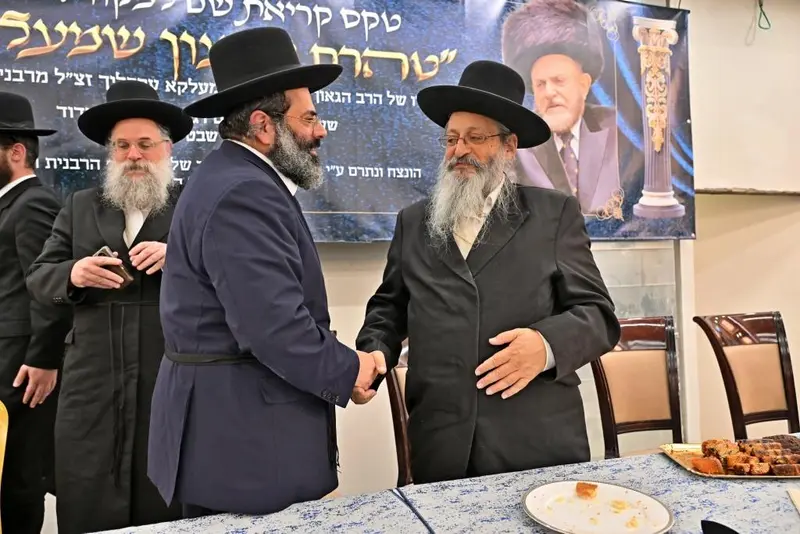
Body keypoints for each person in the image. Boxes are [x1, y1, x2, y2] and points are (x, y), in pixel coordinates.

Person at [148, 27, 386, 519]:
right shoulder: (244, 192)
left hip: (232, 437)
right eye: (309, 117)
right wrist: (351, 370)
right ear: (263, 125)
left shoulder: (233, 177)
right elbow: (273, 327)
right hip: (245, 448)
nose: (321, 131)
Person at [355, 60, 621, 484]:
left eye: (476, 138)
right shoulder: (414, 221)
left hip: (534, 442)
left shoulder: (553, 214)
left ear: (509, 146)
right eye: (452, 139)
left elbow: (599, 317)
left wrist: (545, 345)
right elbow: (390, 307)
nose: (459, 150)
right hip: (440, 443)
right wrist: (374, 351)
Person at [26, 80, 193, 534]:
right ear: (110, 153)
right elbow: (39, 277)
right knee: (89, 493)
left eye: (144, 144)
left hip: (167, 374)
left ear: (167, 148)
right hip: (92, 383)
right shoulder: (80, 206)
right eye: (122, 146)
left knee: (167, 499)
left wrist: (180, 260)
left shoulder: (194, 205)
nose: (133, 155)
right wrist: (74, 273)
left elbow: (232, 272)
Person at [0, 91, 71, 534]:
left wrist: (44, 359)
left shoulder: (34, 203)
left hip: (22, 369)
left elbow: (48, 287)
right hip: (7, 364)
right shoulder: (9, 203)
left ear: (16, 152)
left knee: (19, 478)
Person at [501, 0, 621, 215]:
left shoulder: (619, 129)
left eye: (559, 80)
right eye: (540, 84)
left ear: (584, 85)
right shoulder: (516, 144)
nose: (549, 92)